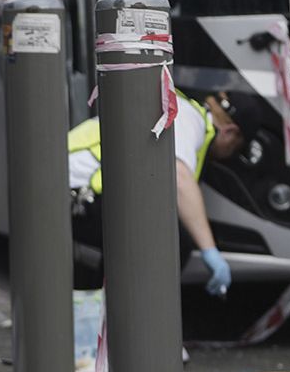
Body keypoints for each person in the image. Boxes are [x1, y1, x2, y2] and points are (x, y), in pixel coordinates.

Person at [65, 88, 251, 296]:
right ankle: (122, 310)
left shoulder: (184, 115)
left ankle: (106, 308)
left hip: (76, 190)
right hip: (75, 192)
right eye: (235, 149)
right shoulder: (189, 118)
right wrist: (209, 250)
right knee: (167, 239)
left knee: (137, 235)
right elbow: (179, 177)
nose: (228, 156)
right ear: (230, 133)